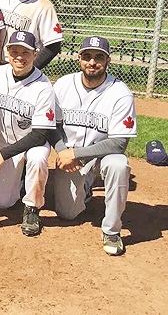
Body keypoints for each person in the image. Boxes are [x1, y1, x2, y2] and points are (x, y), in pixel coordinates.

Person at [51, 36, 136, 256]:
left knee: (118, 165)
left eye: (99, 57)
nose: (92, 62)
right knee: (67, 214)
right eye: (87, 56)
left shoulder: (120, 93)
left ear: (108, 60)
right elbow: (52, 126)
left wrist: (77, 154)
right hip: (69, 157)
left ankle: (111, 231)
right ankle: (87, 186)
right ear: (79, 58)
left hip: (101, 156)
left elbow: (119, 142)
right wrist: (62, 151)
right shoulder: (63, 85)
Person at [0, 31, 56, 237]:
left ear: (35, 54)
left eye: (26, 52)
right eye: (15, 51)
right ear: (7, 52)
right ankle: (23, 181)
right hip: (5, 143)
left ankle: (32, 208)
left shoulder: (43, 87)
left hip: (33, 144)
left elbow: (40, 135)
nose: (19, 57)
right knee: (3, 203)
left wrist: (2, 155)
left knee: (38, 158)